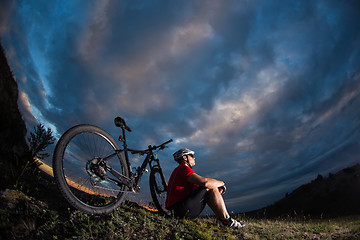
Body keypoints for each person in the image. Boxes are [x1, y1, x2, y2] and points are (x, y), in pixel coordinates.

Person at [165, 148, 245, 228]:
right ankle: (227, 221)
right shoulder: (183, 168)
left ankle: (223, 220)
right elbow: (205, 183)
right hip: (180, 210)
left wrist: (216, 191)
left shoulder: (178, 171)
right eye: (192, 156)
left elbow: (204, 191)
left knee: (210, 187)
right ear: (185, 158)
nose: (194, 158)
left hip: (176, 211)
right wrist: (222, 183)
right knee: (209, 186)